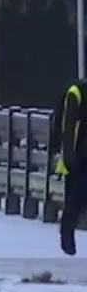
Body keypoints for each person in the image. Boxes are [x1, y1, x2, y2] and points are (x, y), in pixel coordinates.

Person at [53, 79, 87, 253]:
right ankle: (67, 230)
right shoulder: (77, 92)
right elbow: (68, 127)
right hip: (80, 158)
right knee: (77, 197)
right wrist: (68, 158)